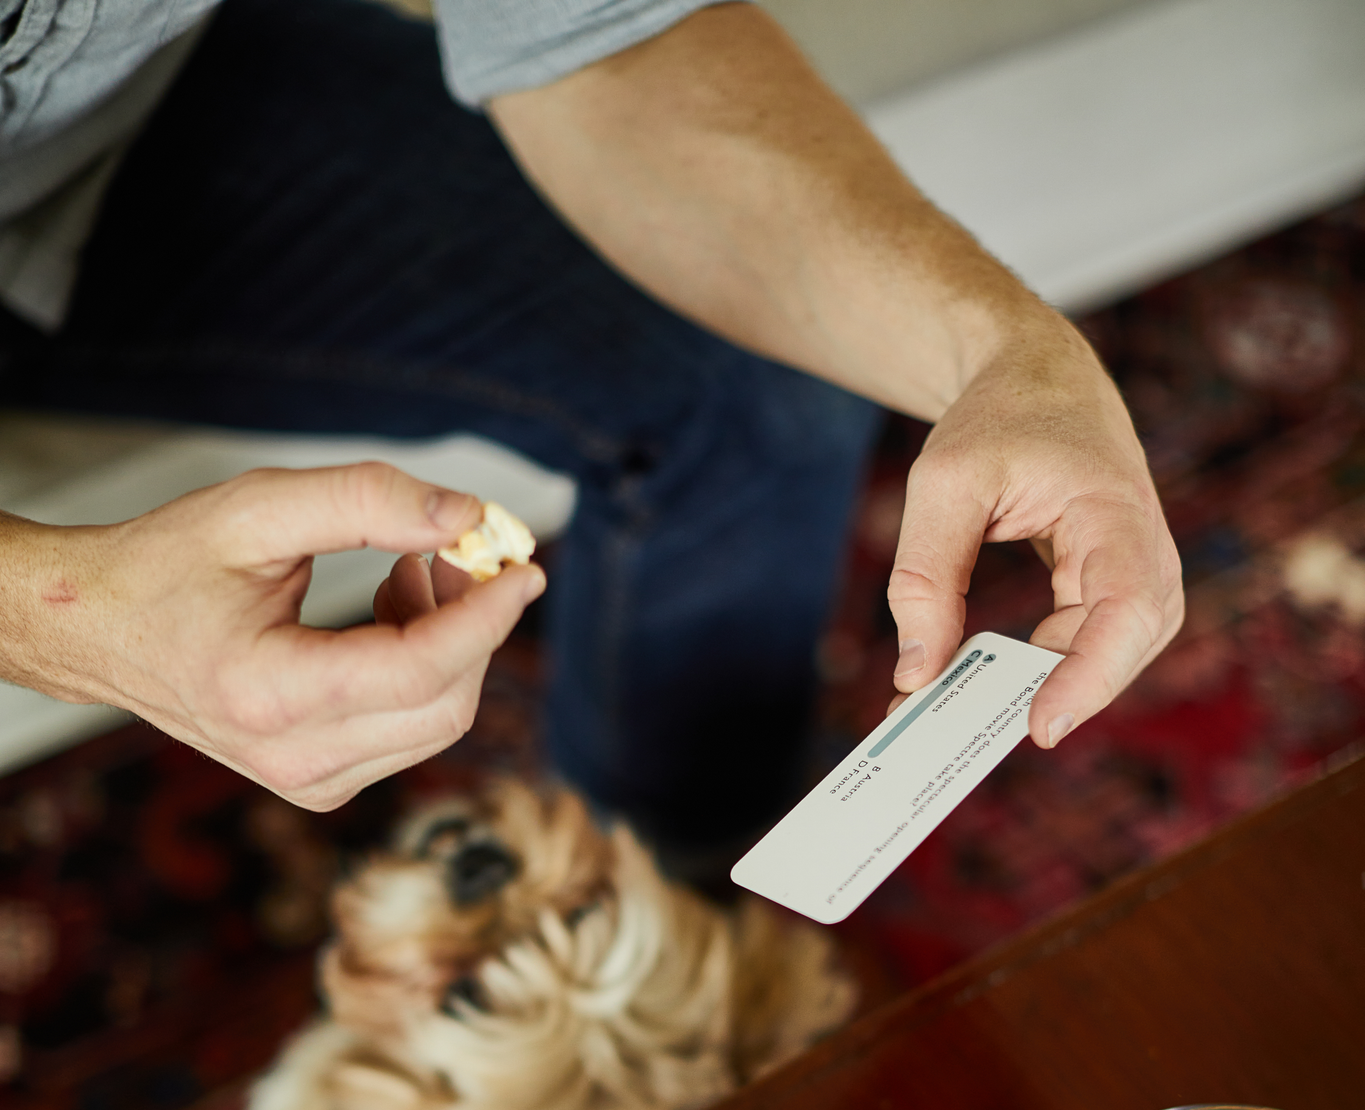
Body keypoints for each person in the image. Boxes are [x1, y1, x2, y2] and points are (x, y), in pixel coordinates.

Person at [0, 0, 1182, 880]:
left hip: (94, 130)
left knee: (760, 383)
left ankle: (665, 906)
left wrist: (1005, 353)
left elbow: (599, 36)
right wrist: (60, 615)